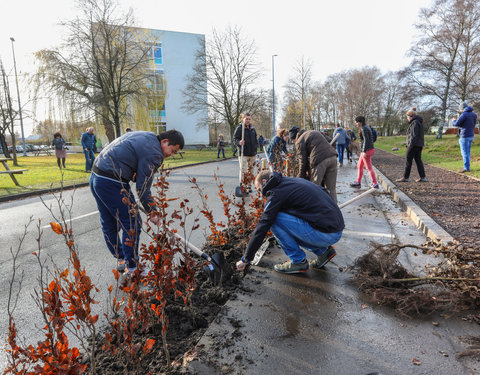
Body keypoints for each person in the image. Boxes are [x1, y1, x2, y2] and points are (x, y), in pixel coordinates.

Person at [90, 129, 184, 274]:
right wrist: (153, 211)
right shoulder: (155, 153)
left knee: (109, 221)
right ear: (165, 142)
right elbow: (143, 189)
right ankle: (133, 268)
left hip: (96, 176)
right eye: (172, 151)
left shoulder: (147, 136)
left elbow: (132, 160)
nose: (170, 155)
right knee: (132, 222)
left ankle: (122, 259)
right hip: (112, 181)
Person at [236, 170, 344, 274]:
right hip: (334, 229)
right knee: (287, 225)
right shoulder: (288, 182)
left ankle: (298, 261)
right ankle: (324, 252)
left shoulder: (275, 192)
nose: (261, 194)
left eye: (259, 189)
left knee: (274, 220)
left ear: (264, 182)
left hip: (326, 233)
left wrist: (246, 258)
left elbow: (264, 224)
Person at [289, 126, 338, 202]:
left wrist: (300, 179)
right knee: (331, 188)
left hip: (320, 161)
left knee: (314, 188)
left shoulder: (299, 141)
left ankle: (315, 210)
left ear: (295, 137)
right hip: (333, 157)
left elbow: (303, 162)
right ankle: (334, 210)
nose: (294, 142)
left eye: (293, 140)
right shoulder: (314, 132)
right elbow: (333, 142)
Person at [396, 108, 427, 183]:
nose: (407, 118)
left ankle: (405, 177)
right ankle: (423, 177)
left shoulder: (414, 123)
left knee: (408, 160)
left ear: (410, 116)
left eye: (407, 117)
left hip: (413, 145)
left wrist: (410, 145)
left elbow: (414, 135)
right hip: (419, 145)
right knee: (418, 161)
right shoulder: (419, 122)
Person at [350, 116, 379, 189]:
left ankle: (375, 184)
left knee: (369, 168)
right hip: (367, 150)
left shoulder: (364, 128)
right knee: (359, 166)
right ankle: (358, 182)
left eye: (356, 122)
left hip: (367, 151)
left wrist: (364, 151)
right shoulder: (365, 127)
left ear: (360, 122)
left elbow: (366, 140)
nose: (356, 124)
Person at [233, 112, 258, 190]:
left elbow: (255, 139)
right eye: (246, 119)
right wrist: (239, 142)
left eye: (249, 119)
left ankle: (249, 185)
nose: (248, 120)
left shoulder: (253, 129)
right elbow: (234, 139)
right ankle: (243, 185)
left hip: (252, 153)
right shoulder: (240, 128)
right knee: (243, 170)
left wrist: (256, 147)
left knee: (251, 171)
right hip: (243, 153)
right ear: (243, 119)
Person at [453, 102, 477, 173]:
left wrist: (454, 120)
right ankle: (467, 166)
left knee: (464, 153)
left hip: (464, 136)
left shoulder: (464, 114)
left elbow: (457, 124)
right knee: (468, 152)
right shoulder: (474, 114)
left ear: (462, 108)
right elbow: (473, 124)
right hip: (471, 135)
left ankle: (466, 168)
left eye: (460, 109)